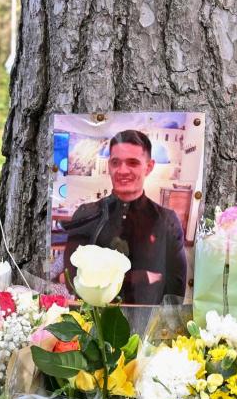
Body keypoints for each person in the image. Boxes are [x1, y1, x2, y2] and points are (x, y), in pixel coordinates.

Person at [61, 129, 187, 304]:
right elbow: (72, 277)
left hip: (148, 324)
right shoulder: (86, 214)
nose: (122, 170)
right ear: (109, 166)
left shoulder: (167, 221)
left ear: (149, 167)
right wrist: (145, 276)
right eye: (115, 162)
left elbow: (175, 288)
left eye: (133, 163)